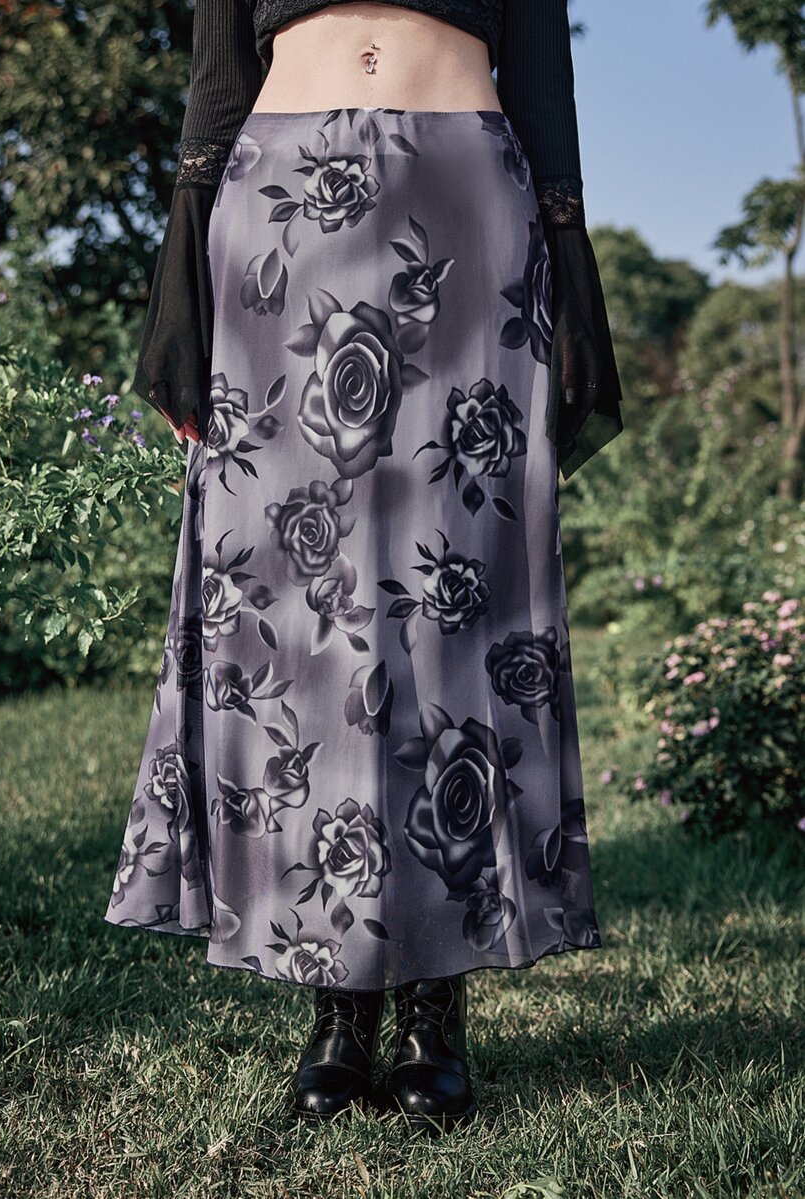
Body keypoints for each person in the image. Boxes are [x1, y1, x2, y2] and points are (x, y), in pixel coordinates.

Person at [104, 0, 624, 1133]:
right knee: (302, 613)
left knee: (453, 601)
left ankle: (434, 998)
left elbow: (540, 65)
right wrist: (180, 268)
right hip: (282, 206)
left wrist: (573, 253)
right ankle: (337, 995)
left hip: (466, 199)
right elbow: (218, 66)